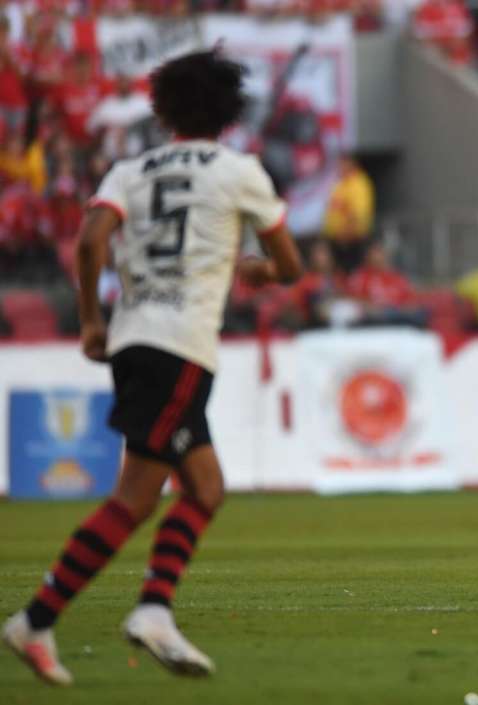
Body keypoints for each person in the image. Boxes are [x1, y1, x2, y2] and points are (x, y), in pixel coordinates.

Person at [2, 50, 303, 685]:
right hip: (182, 345)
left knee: (204, 487)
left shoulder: (128, 171)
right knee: (137, 498)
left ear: (162, 108)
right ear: (228, 110)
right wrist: (258, 269)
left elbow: (89, 242)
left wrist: (90, 321)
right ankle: (41, 618)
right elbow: (290, 266)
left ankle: (152, 609)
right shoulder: (238, 170)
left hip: (134, 339)